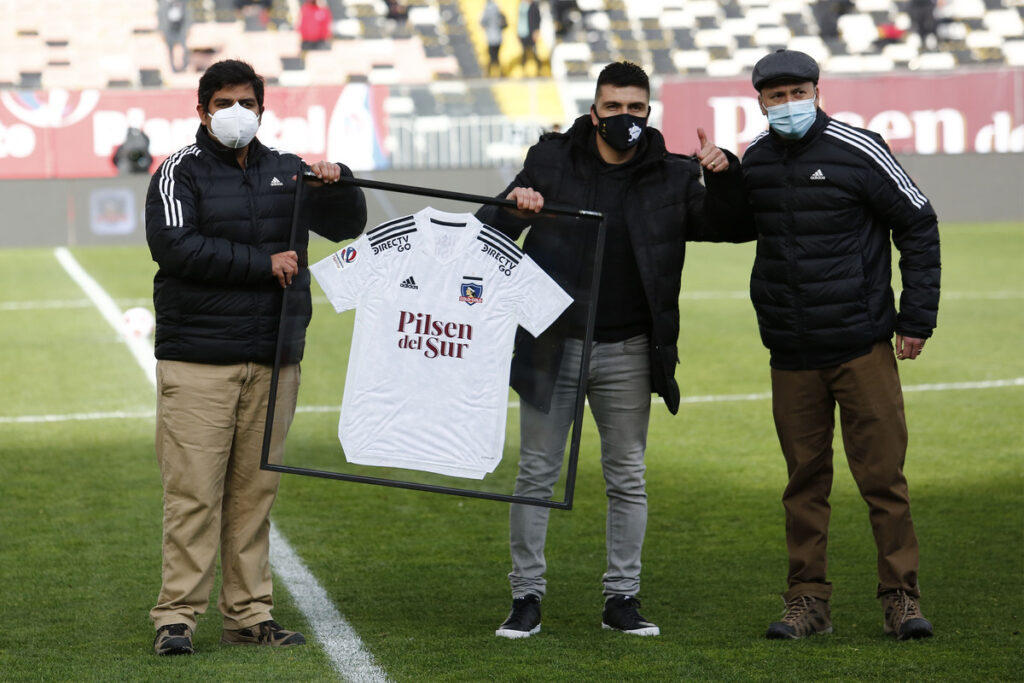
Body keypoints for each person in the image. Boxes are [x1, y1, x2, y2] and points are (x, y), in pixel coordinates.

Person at [476, 61, 752, 639]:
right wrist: (513, 206)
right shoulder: (551, 158)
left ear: (647, 111)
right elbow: (490, 231)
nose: (623, 117)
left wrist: (723, 176)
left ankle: (621, 599)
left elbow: (730, 225)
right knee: (536, 474)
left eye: (635, 108)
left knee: (627, 477)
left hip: (630, 346)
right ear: (593, 109)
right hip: (552, 342)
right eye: (612, 107)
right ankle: (525, 597)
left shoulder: (674, 174)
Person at [145, 59, 367, 656]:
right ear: (201, 111)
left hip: (274, 358)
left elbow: (349, 224)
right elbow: (174, 245)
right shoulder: (177, 173)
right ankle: (177, 617)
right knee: (193, 492)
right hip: (198, 360)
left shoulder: (290, 172)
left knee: (255, 492)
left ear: (262, 110)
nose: (235, 112)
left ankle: (247, 614)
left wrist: (339, 180)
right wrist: (261, 265)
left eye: (246, 102)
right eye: (223, 103)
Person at [717, 49, 939, 641]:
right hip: (791, 353)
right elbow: (735, 225)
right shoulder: (756, 160)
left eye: (797, 92)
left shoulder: (859, 148)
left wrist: (916, 318)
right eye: (775, 95)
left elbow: (917, 222)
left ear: (817, 91)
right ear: (759, 101)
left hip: (861, 346)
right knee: (803, 484)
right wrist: (717, 178)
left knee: (883, 480)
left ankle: (901, 599)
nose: (787, 104)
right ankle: (807, 602)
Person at [160, 0, 190, 72]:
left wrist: (186, 30)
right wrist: (162, 32)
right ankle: (173, 68)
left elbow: (188, 17)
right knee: (170, 50)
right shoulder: (164, 5)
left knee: (184, 49)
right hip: (169, 31)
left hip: (180, 30)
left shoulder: (184, 4)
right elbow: (161, 19)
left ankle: (184, 66)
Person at [481, 0, 508, 78]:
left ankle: (489, 74)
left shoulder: (487, 10)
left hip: (490, 37)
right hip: (498, 37)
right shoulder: (498, 10)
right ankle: (500, 73)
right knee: (496, 56)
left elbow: (482, 22)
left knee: (491, 56)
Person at [516, 0, 541, 77]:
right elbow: (520, 20)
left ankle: (539, 70)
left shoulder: (534, 6)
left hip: (531, 32)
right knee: (524, 53)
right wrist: (518, 32)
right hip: (523, 32)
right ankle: (524, 71)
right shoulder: (521, 6)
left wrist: (536, 31)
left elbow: (538, 19)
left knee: (534, 52)